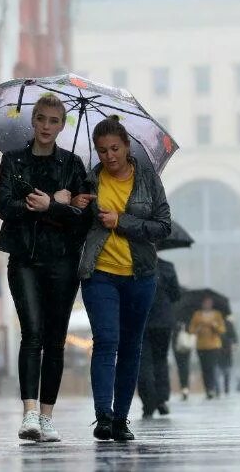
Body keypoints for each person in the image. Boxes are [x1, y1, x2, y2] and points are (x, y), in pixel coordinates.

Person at [0, 94, 91, 443]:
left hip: (63, 260)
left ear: (62, 126)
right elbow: (5, 206)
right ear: (33, 121)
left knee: (56, 340)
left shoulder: (73, 165)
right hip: (24, 258)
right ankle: (29, 413)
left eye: (54, 121)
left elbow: (83, 219)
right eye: (41, 119)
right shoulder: (13, 160)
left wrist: (53, 205)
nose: (47, 126)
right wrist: (49, 205)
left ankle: (48, 416)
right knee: (32, 333)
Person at [78, 116, 171, 442]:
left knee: (131, 347)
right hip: (99, 274)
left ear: (127, 146)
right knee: (106, 341)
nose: (109, 156)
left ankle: (121, 419)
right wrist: (76, 207)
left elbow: (163, 226)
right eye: (102, 151)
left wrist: (122, 221)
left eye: (114, 148)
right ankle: (103, 415)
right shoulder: (89, 181)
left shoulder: (148, 179)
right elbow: (77, 228)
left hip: (140, 276)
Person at [137, 258, 181, 418]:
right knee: (160, 360)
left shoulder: (136, 263)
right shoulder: (167, 267)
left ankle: (148, 403)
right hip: (163, 321)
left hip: (141, 318)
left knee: (143, 362)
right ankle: (161, 400)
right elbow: (176, 294)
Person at [189, 296, 226, 399]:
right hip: (201, 346)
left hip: (214, 345)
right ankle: (208, 390)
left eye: (209, 302)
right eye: (205, 302)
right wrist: (198, 328)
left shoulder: (217, 314)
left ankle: (213, 388)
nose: (207, 304)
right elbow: (191, 329)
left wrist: (214, 325)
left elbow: (222, 330)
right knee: (204, 368)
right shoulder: (197, 315)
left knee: (212, 367)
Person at [172, 321, 194, 401]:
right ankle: (184, 387)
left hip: (185, 339)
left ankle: (185, 387)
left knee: (183, 366)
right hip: (179, 339)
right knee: (183, 366)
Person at [217, 316, 238, 396]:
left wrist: (234, 344)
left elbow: (234, 337)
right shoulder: (215, 322)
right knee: (217, 373)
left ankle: (226, 390)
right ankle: (217, 390)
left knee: (226, 373)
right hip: (216, 352)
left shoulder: (228, 324)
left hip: (227, 353)